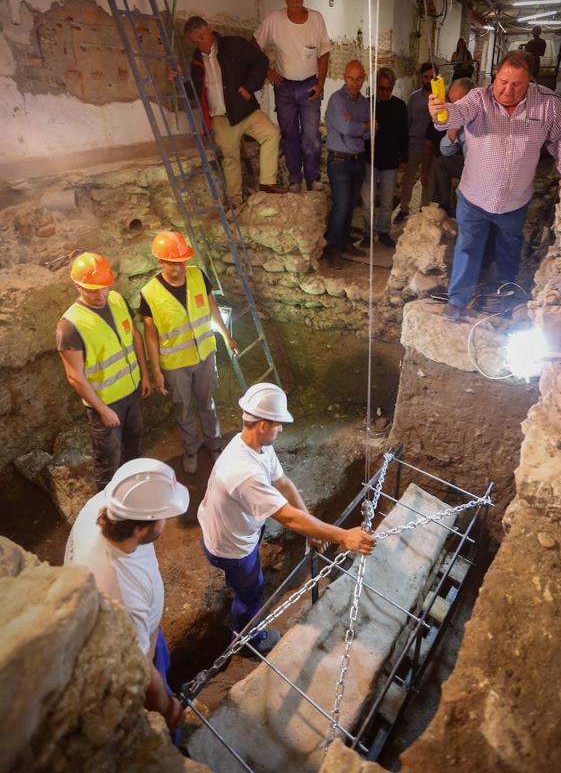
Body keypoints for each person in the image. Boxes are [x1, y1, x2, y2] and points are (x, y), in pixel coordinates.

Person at [197, 383, 376, 655]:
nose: (281, 429)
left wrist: (310, 529)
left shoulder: (257, 447)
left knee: (249, 578)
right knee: (251, 590)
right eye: (278, 424)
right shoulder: (242, 471)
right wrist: (344, 536)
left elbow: (284, 483)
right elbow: (287, 517)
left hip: (237, 527)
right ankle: (246, 640)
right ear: (263, 425)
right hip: (230, 545)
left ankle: (237, 593)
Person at [428, 50, 561, 322]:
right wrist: (441, 112)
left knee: (509, 250)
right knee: (467, 248)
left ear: (530, 82)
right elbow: (455, 114)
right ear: (495, 76)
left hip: (514, 200)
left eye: (516, 84)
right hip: (474, 196)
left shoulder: (546, 103)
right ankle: (458, 301)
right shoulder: (478, 98)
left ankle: (504, 299)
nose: (508, 90)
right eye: (502, 82)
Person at [65, 458, 188, 739]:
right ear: (139, 529)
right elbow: (140, 671)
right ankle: (172, 745)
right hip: (133, 652)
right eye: (162, 516)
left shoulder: (105, 506)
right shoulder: (119, 591)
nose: (166, 521)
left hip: (145, 631)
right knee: (162, 709)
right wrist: (168, 709)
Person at [140, 231, 239, 475]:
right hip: (175, 364)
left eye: (183, 261)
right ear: (161, 262)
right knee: (183, 408)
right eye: (174, 263)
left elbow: (212, 308)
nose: (181, 267)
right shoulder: (149, 294)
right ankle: (191, 449)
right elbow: (150, 335)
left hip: (205, 355)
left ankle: (214, 445)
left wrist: (227, 336)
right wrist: (155, 370)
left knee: (207, 403)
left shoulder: (198, 276)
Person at [57, 252, 151, 492]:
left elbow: (135, 336)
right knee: (108, 463)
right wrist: (102, 410)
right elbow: (74, 376)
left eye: (104, 288)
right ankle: (108, 516)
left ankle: (135, 495)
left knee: (135, 447)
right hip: (106, 405)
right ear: (77, 286)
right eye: (92, 290)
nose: (100, 295)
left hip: (131, 392)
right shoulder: (70, 325)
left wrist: (145, 374)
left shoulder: (118, 300)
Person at [173, 16, 286, 205]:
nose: (200, 43)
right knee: (230, 158)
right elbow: (193, 91)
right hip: (220, 117)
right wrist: (177, 81)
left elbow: (261, 61)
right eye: (195, 41)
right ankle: (235, 201)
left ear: (209, 29)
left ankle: (267, 184)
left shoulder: (234, 45)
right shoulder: (196, 62)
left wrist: (249, 87)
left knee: (271, 134)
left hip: (245, 111)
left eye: (201, 37)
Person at [254, 0, 331, 193]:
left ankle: (312, 178)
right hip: (284, 88)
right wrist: (267, 71)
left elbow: (324, 53)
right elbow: (253, 46)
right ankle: (295, 179)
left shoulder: (316, 19)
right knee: (289, 135)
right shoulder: (273, 20)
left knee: (311, 137)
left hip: (310, 85)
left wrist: (321, 83)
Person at [324, 59, 371, 269]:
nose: (354, 83)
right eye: (351, 78)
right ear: (344, 77)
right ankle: (333, 250)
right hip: (339, 161)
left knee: (352, 205)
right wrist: (362, 126)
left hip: (357, 160)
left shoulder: (364, 103)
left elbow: (371, 132)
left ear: (364, 79)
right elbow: (346, 128)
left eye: (359, 79)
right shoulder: (336, 100)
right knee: (341, 206)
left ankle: (344, 243)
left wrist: (358, 126)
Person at [360, 66, 408, 249]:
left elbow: (404, 134)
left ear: (393, 87)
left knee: (387, 201)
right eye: (381, 88)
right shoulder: (367, 104)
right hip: (369, 160)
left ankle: (384, 232)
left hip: (390, 162)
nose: (384, 92)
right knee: (367, 202)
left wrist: (404, 158)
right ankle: (367, 233)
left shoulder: (400, 106)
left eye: (388, 88)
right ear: (376, 86)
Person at [394, 62, 436, 224]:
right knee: (408, 179)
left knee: (428, 179)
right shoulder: (414, 98)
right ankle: (404, 208)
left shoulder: (441, 99)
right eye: (426, 77)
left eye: (432, 77)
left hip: (431, 146)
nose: (428, 80)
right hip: (413, 144)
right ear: (421, 78)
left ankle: (423, 211)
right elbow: (407, 122)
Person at [430, 77, 475, 216]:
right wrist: (452, 133)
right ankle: (443, 208)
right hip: (467, 164)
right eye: (451, 101)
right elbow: (445, 151)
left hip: (482, 169)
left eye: (458, 103)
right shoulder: (456, 116)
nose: (453, 107)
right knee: (440, 163)